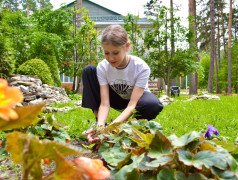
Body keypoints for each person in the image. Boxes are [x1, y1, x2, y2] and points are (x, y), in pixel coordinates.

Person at [82, 25, 163, 143]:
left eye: (115, 53)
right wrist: (101, 129)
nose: (111, 58)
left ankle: (131, 128)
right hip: (115, 97)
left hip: (136, 101)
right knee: (89, 70)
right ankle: (99, 123)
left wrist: (112, 128)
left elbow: (131, 105)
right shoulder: (103, 67)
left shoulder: (141, 67)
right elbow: (105, 104)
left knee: (153, 104)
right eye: (106, 53)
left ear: (127, 47)